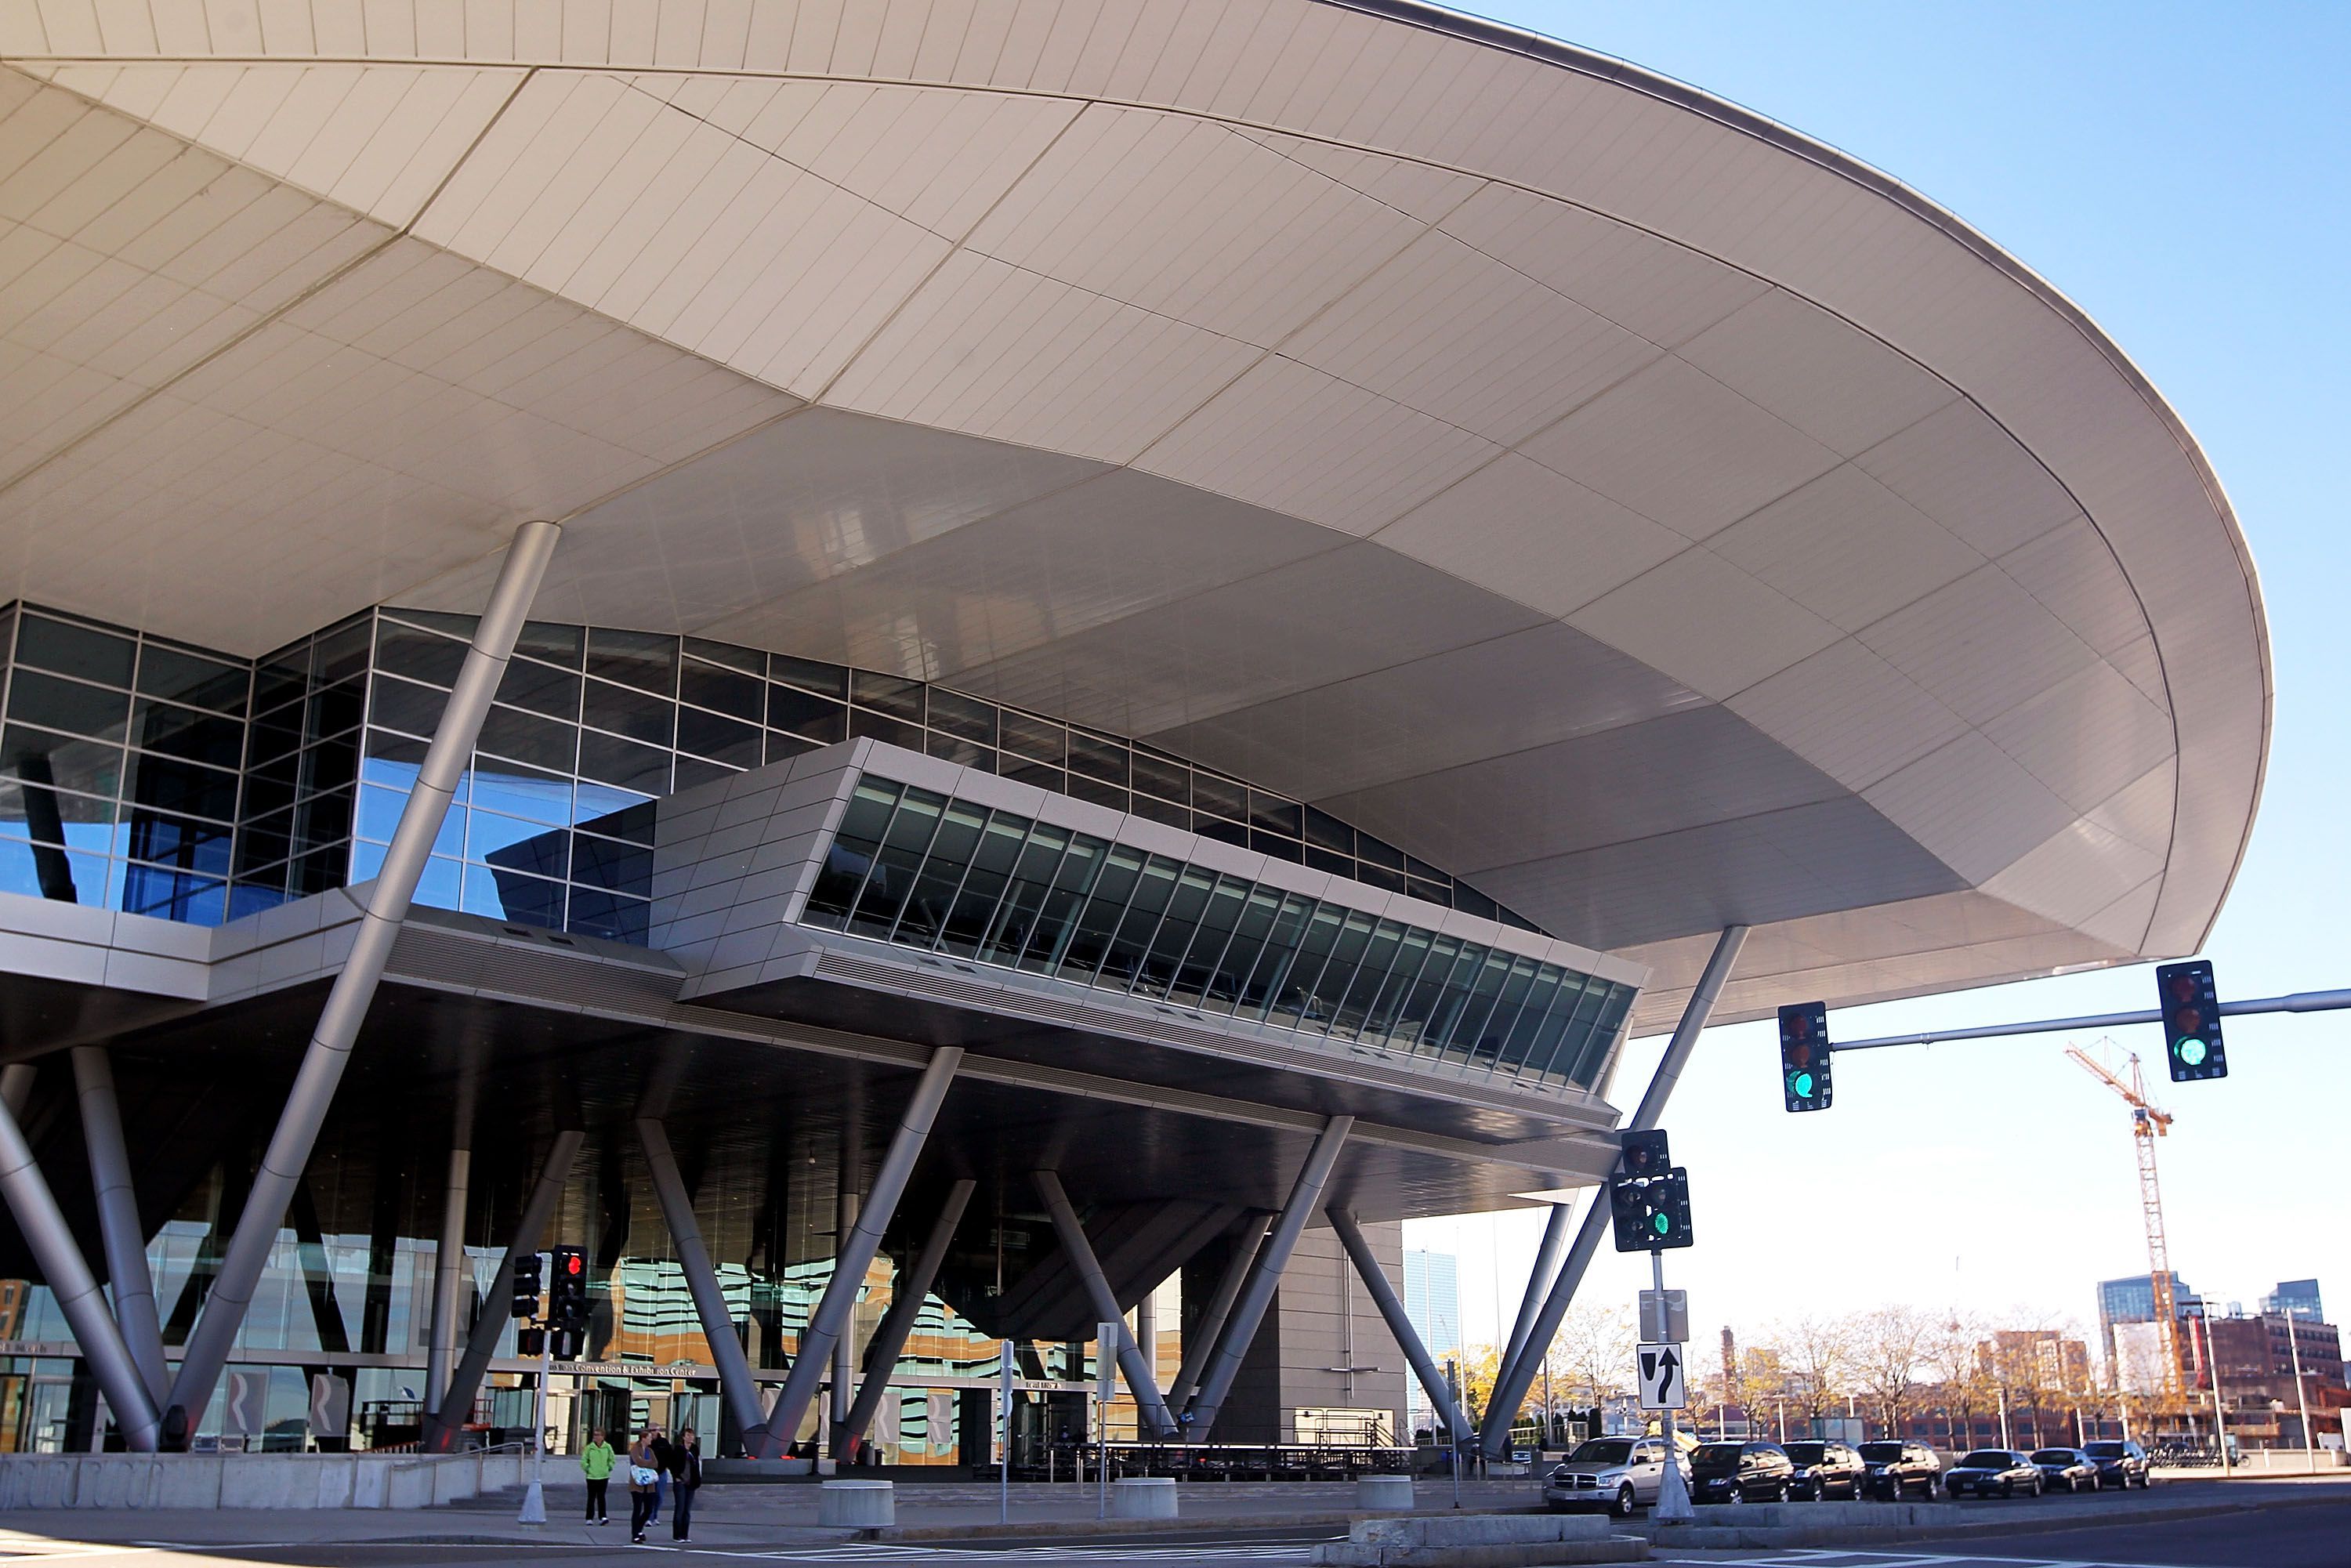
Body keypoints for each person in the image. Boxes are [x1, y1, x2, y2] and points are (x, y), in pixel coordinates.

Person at [668, 1427, 703, 1542]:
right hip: (681, 1481)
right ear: (683, 1437)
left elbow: (696, 1465)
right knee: (680, 1508)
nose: (690, 1438)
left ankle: (685, 1534)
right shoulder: (678, 1449)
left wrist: (697, 1479)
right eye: (688, 1435)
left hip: (691, 1482)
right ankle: (677, 1535)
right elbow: (672, 1464)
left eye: (692, 1435)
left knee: (687, 1510)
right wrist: (676, 1476)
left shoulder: (694, 1449)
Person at [627, 1429, 661, 1543]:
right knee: (637, 1509)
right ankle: (635, 1534)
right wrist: (648, 1463)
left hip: (649, 1484)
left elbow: (656, 1463)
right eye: (649, 1437)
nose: (651, 1439)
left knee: (648, 1509)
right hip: (637, 1484)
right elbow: (638, 1462)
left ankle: (639, 1529)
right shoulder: (635, 1449)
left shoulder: (650, 1451)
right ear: (643, 1438)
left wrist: (646, 1462)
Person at [579, 1427, 614, 1524]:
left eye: (599, 1435)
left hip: (603, 1476)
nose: (596, 1437)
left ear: (603, 1436)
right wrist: (588, 1468)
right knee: (591, 1498)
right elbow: (584, 1460)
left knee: (601, 1497)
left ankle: (602, 1517)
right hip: (592, 1476)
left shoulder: (607, 1447)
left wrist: (608, 1468)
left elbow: (612, 1459)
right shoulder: (589, 1448)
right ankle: (589, 1518)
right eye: (595, 1435)